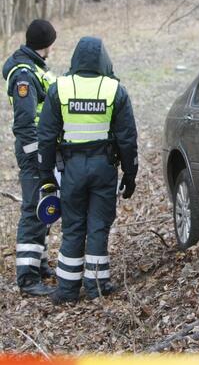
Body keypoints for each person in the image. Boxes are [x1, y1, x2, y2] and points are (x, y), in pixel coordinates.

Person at [38, 37, 138, 304]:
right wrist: (130, 174)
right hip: (104, 168)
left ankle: (67, 291)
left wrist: (46, 174)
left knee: (72, 227)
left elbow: (46, 136)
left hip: (71, 169)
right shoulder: (115, 90)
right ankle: (96, 286)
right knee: (98, 226)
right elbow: (127, 139)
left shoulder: (60, 88)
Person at [2, 19, 58, 296]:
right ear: (48, 44)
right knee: (33, 211)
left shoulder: (34, 67)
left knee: (44, 208)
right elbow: (24, 123)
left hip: (44, 151)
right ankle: (27, 278)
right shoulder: (24, 75)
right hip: (34, 153)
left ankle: (39, 263)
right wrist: (37, 154)